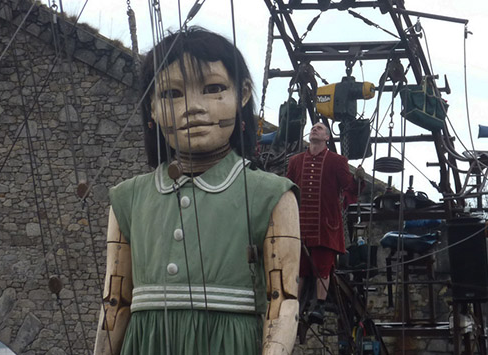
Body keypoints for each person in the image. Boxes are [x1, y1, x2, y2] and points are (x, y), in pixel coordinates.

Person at [93, 27, 300, 355]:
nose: (193, 107)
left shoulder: (271, 195)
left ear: (242, 94)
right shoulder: (127, 199)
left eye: (213, 88)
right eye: (171, 93)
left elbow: (283, 302)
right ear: (151, 107)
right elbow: (115, 301)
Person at [285, 122, 360, 322]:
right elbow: (287, 188)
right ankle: (295, 306)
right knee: (300, 269)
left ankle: (319, 304)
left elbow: (350, 187)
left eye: (319, 128)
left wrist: (358, 180)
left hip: (325, 225)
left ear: (327, 137)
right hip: (300, 224)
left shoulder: (337, 161)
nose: (314, 129)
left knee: (322, 267)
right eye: (313, 127)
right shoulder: (295, 161)